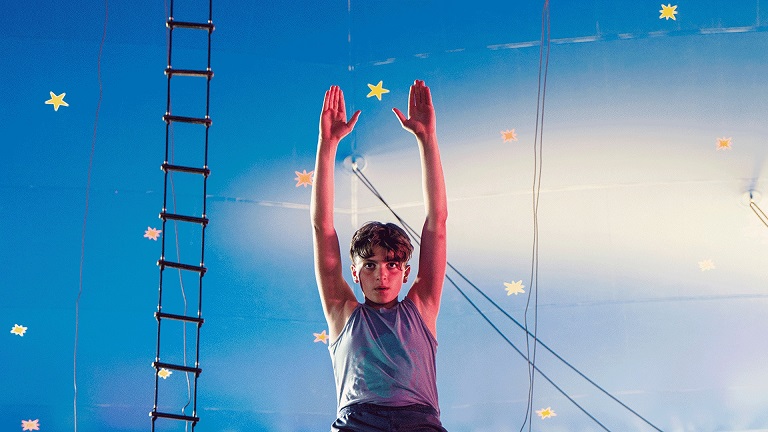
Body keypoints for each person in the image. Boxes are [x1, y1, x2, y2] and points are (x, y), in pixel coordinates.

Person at [311, 80, 449, 432]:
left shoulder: (421, 307)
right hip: (358, 422)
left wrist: (427, 139)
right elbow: (323, 228)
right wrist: (327, 146)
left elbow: (437, 222)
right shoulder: (343, 312)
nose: (381, 275)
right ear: (355, 274)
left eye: (391, 265)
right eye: (370, 265)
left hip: (418, 422)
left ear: (406, 272)